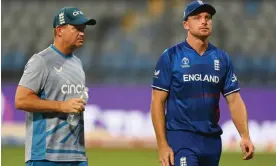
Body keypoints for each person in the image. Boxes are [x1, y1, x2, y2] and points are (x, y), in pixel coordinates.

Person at [150, 1, 254, 166]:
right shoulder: (171, 56)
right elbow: (157, 101)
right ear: (186, 24)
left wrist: (245, 136)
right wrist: (162, 145)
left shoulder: (222, 58)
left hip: (212, 142)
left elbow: (234, 100)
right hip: (181, 138)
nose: (204, 21)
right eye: (197, 17)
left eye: (208, 17)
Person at [15, 7, 96, 166]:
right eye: (76, 28)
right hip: (46, 156)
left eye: (83, 29)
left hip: (76, 156)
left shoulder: (78, 63)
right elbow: (21, 100)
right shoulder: (41, 61)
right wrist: (61, 106)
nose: (82, 33)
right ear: (59, 30)